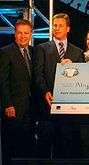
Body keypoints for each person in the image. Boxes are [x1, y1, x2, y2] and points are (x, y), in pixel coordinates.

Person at [34, 13, 84, 158]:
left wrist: (75, 68)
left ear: (68, 28)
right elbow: (38, 75)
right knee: (44, 148)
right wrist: (45, 92)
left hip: (69, 111)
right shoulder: (42, 48)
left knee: (65, 150)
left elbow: (82, 80)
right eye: (54, 25)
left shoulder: (77, 52)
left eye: (60, 25)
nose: (56, 28)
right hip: (47, 109)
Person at [0, 19, 35, 164]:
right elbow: (2, 81)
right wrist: (8, 104)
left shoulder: (34, 51)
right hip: (13, 108)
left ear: (31, 34)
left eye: (26, 33)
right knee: (12, 148)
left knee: (27, 149)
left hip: (31, 109)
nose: (23, 36)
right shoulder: (5, 52)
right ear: (15, 34)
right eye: (20, 33)